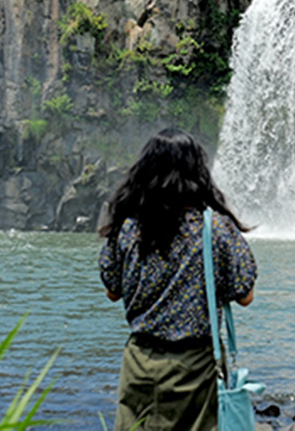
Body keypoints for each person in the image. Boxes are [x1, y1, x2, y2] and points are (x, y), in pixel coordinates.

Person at [99, 128, 257, 431]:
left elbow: (112, 291)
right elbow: (245, 296)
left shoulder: (128, 228)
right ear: (198, 173)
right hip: (196, 365)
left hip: (140, 362)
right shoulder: (216, 229)